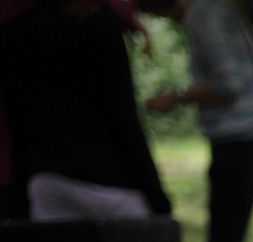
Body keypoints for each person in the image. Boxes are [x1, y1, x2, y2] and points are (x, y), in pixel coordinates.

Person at [143, 0, 253, 242]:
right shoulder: (213, 10)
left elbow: (229, 84)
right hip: (251, 140)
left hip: (241, 142)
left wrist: (176, 97)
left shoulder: (203, 16)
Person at [0, 0, 171, 221]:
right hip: (108, 181)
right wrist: (157, 198)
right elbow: (123, 118)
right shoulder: (99, 25)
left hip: (45, 180)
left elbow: (16, 125)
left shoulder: (14, 33)